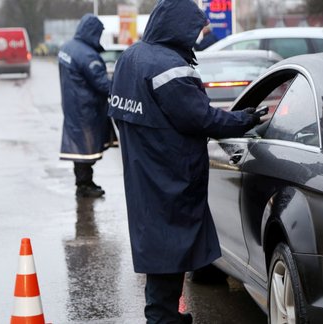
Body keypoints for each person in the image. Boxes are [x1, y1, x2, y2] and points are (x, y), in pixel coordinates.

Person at [108, 0, 262, 322]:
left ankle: (169, 317)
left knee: (161, 258)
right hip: (172, 180)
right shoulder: (169, 68)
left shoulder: (130, 58)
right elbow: (201, 119)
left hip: (143, 176)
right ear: (179, 27)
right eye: (194, 30)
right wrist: (244, 120)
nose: (196, 37)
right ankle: (164, 319)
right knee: (168, 258)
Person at [58, 14, 112, 198]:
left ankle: (84, 182)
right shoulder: (87, 55)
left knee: (79, 146)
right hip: (86, 109)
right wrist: (121, 87)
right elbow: (102, 84)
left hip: (73, 106)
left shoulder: (68, 48)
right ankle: (84, 185)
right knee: (85, 149)